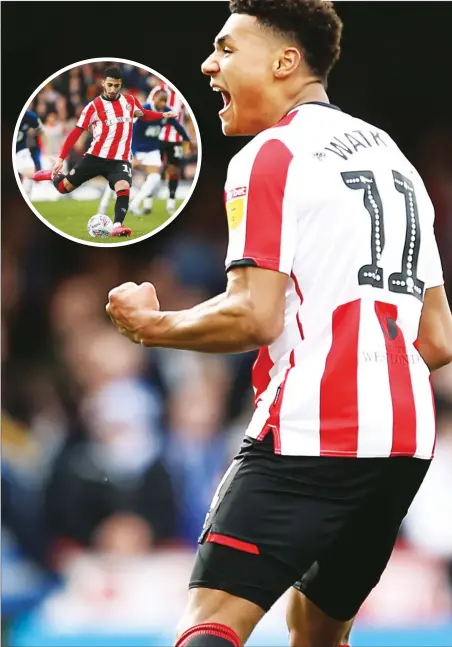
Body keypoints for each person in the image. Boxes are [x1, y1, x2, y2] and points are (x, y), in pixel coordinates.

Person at [105, 1, 452, 646]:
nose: (210, 65)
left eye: (227, 49)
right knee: (319, 636)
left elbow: (253, 315)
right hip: (404, 439)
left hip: (310, 431)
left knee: (209, 624)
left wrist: (152, 327)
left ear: (285, 61)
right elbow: (437, 338)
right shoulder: (398, 163)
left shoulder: (272, 155)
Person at [33, 66, 175, 238]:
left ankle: (117, 226)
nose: (113, 89)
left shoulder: (129, 102)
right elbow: (75, 133)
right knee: (64, 188)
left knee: (123, 187)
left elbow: (143, 114)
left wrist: (163, 116)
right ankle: (53, 176)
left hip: (120, 160)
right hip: (95, 157)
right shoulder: (93, 107)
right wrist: (61, 159)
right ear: (103, 83)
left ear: (120, 84)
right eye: (109, 85)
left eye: (116, 86)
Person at [98, 88, 191, 217]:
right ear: (153, 99)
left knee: (155, 177)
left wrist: (187, 140)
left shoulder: (166, 112)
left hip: (151, 150)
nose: (163, 104)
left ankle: (135, 204)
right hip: (133, 147)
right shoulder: (143, 111)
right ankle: (104, 204)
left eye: (165, 101)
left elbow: (177, 126)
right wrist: (134, 155)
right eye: (160, 100)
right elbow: (130, 133)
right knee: (117, 177)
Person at [147, 83, 188, 215]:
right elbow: (147, 111)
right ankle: (147, 202)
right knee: (153, 168)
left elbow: (188, 117)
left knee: (174, 169)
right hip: (157, 136)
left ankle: (171, 203)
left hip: (176, 139)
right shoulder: (157, 90)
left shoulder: (181, 95)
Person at [15, 109, 45, 198]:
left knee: (31, 172)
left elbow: (41, 131)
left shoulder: (30, 116)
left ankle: (27, 198)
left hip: (21, 150)